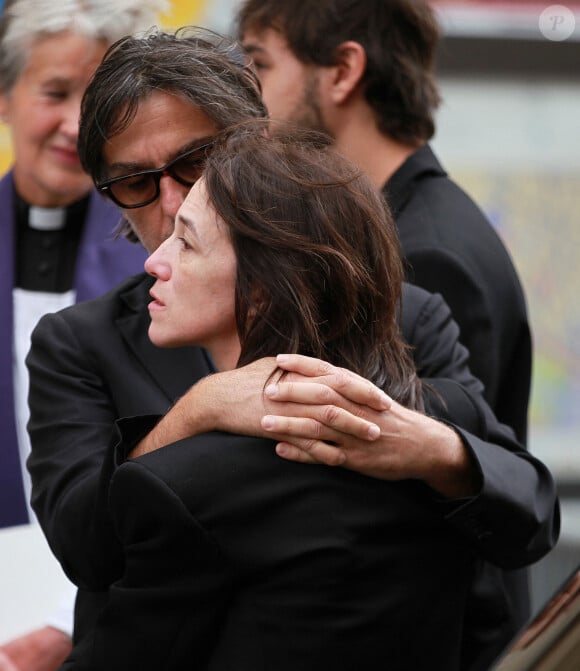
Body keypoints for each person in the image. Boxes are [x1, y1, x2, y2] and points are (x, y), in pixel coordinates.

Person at [26, 28, 557, 667]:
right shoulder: (79, 342)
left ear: (257, 146)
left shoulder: (399, 315)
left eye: (197, 162)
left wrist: (426, 449)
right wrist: (196, 413)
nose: (171, 203)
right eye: (135, 181)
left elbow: (525, 512)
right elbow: (85, 548)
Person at [236, 1, 533, 666]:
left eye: (260, 63)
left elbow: (458, 499)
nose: (245, 93)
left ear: (342, 70)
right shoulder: (409, 223)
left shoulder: (423, 252)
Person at [0, 1, 165, 668]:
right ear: (6, 96)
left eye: (96, 101)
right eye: (54, 92)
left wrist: (60, 624)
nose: (74, 126)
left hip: (116, 616)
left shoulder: (163, 270)